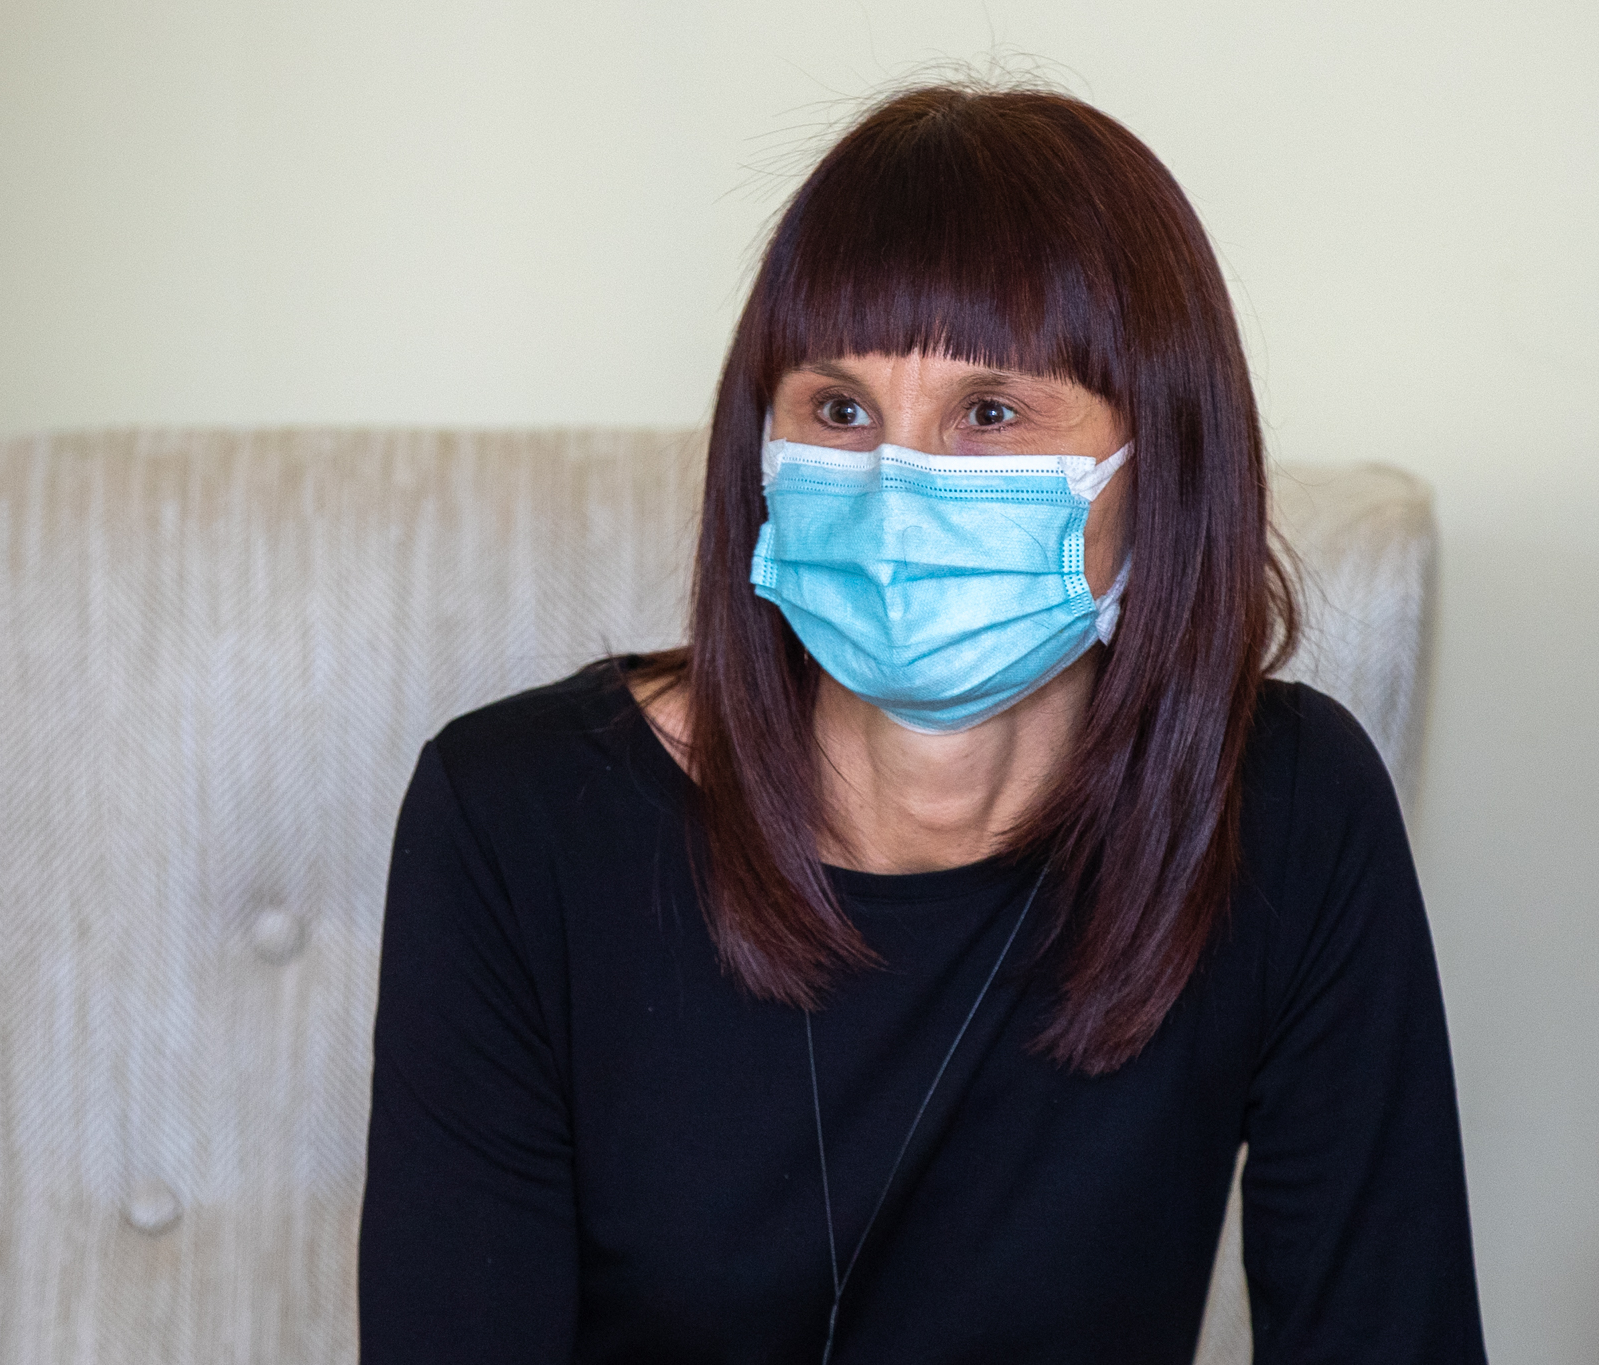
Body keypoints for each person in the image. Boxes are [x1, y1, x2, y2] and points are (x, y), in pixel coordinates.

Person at [357, 83, 1486, 1363]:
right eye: (839, 411)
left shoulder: (1282, 808)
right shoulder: (515, 817)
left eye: (987, 414)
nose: (894, 490)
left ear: (1160, 465)